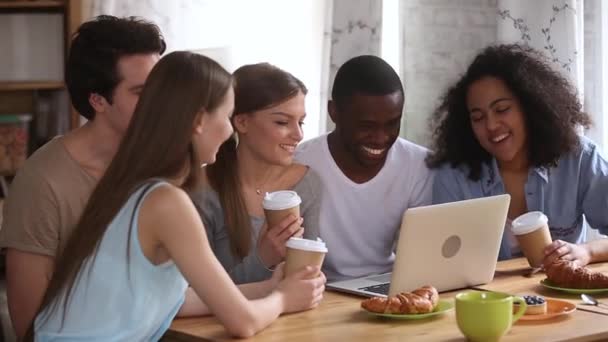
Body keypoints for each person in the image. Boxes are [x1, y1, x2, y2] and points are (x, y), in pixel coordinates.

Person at [30, 51, 325, 340]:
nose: (228, 129)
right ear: (199, 121)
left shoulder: (131, 184)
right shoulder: (167, 202)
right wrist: (284, 299)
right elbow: (243, 323)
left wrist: (270, 287)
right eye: (226, 115)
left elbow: (177, 301)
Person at [0, 15, 166, 339]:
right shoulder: (43, 182)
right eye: (141, 92)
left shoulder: (162, 163)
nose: (159, 103)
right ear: (98, 100)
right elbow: (29, 325)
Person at [427, 44, 608, 267]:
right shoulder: (454, 176)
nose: (491, 125)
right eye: (477, 117)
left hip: (563, 297)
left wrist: (587, 251)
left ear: (530, 107)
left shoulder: (579, 158)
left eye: (502, 109)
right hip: (487, 299)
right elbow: (441, 262)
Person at [295, 55, 433, 281]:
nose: (381, 138)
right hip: (323, 291)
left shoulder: (420, 164)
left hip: (391, 285)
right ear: (334, 112)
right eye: (366, 126)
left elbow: (424, 254)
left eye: (392, 123)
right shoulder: (300, 163)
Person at [193, 63, 322, 283]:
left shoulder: (306, 183)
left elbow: (305, 277)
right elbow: (196, 294)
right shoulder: (201, 191)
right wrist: (263, 259)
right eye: (282, 122)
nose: (298, 134)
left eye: (301, 122)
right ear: (242, 122)